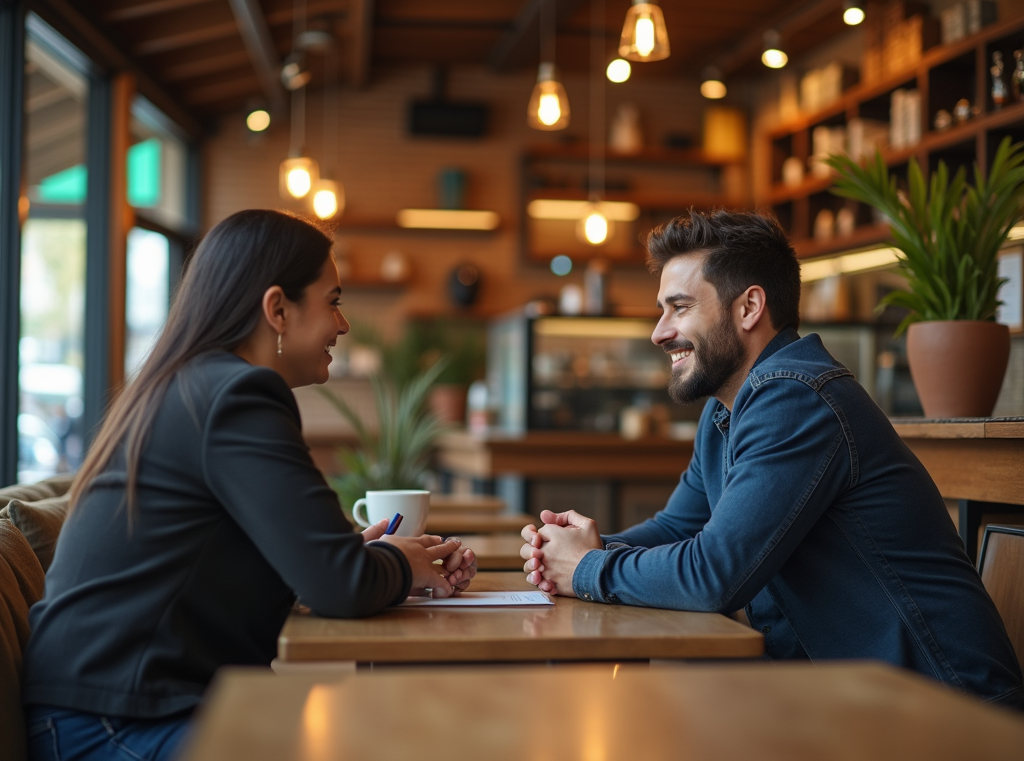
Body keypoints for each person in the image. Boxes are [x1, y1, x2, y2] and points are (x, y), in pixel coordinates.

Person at [521, 210, 1023, 711]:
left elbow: (714, 575)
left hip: (948, 711)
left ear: (749, 308)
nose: (658, 332)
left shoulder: (796, 396)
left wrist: (587, 569)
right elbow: (678, 527)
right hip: (856, 702)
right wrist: (577, 549)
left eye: (679, 308)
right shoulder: (728, 408)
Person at [22, 209, 477, 760]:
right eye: (333, 301)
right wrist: (401, 565)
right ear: (278, 309)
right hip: (113, 724)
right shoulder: (237, 396)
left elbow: (310, 570)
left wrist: (356, 555)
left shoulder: (195, 383)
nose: (343, 324)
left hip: (112, 707)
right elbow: (340, 587)